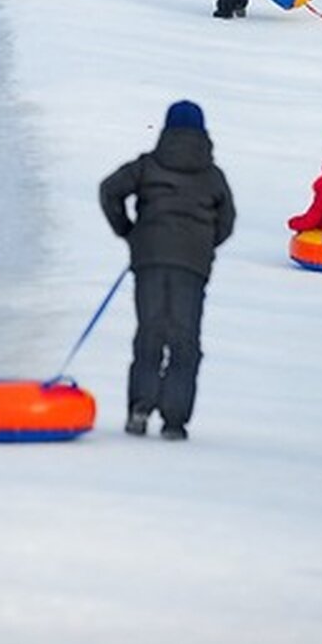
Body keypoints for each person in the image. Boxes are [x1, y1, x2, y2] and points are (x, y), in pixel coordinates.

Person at [99, 100, 235, 441]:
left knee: (151, 331)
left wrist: (129, 231)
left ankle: (140, 408)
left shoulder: (148, 165)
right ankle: (174, 420)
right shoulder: (213, 176)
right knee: (184, 339)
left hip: (150, 260)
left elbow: (109, 190)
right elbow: (227, 222)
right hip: (192, 266)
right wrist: (202, 246)